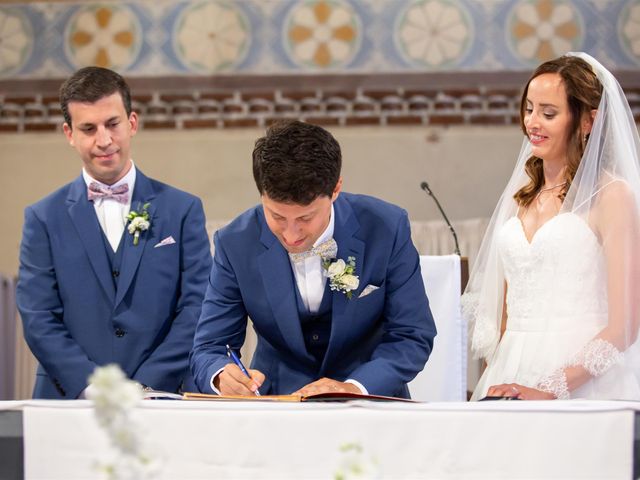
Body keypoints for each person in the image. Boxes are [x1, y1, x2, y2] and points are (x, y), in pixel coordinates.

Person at [190, 120, 436, 398]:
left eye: (305, 217)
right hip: (278, 406)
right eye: (277, 217)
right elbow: (210, 347)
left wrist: (355, 387)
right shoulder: (235, 242)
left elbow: (412, 335)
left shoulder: (386, 227)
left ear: (335, 189)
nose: (291, 234)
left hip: (370, 404)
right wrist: (222, 375)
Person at [16, 66, 212, 399]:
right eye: (88, 128)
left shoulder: (182, 210)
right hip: (70, 400)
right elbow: (38, 315)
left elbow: (197, 307)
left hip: (164, 397)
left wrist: (146, 384)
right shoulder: (42, 218)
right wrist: (91, 386)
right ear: (69, 134)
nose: (104, 140)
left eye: (113, 124)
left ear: (132, 123)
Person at [463, 52, 640, 400]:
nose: (533, 123)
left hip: (583, 377)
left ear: (589, 121)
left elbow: (626, 325)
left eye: (548, 113)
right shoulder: (521, 196)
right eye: (529, 109)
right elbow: (504, 308)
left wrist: (549, 389)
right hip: (510, 367)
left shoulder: (611, 196)